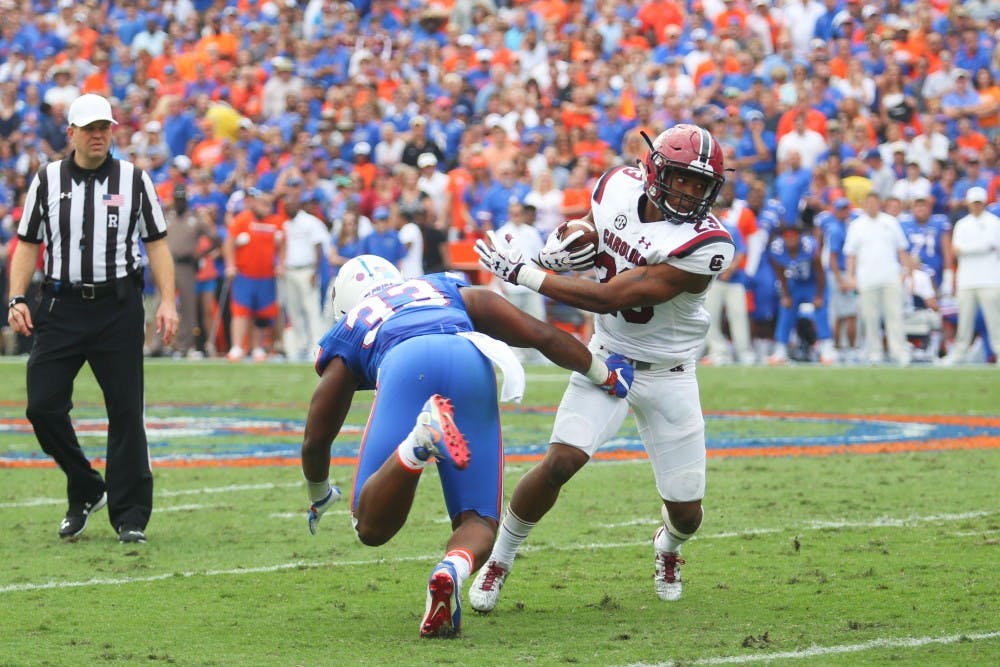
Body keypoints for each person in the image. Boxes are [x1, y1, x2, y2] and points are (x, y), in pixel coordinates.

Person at [300, 255, 633, 639]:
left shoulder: (351, 325)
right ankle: (451, 570)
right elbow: (540, 334)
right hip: (467, 357)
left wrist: (319, 493)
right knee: (479, 520)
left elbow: (316, 437)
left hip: (405, 362)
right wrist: (604, 374)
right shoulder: (441, 286)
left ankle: (416, 446)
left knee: (370, 527)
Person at [472, 124, 735, 608]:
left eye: (701, 185)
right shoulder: (616, 185)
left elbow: (613, 296)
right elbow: (598, 234)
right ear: (654, 172)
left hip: (671, 373)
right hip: (607, 356)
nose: (690, 192)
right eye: (681, 178)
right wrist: (570, 244)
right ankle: (499, 559)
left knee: (687, 513)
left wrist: (527, 272)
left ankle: (668, 546)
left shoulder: (707, 244)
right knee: (560, 461)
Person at [6, 94, 178, 544]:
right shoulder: (47, 180)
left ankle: (130, 514)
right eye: (89, 128)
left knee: (125, 411)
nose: (98, 135)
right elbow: (28, 242)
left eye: (104, 127)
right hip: (60, 306)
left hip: (117, 308)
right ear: (72, 133)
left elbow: (157, 242)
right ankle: (85, 485)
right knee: (42, 407)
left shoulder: (134, 179)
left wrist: (167, 301)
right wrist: (16, 298)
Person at [843, 192, 914, 365]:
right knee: (870, 318)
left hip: (890, 276)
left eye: (875, 203)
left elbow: (902, 249)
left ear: (880, 204)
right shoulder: (856, 225)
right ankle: (874, 352)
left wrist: (906, 270)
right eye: (869, 203)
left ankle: (898, 351)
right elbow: (851, 254)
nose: (872, 206)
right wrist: (850, 276)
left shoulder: (891, 222)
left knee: (895, 316)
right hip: (867, 278)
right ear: (864, 205)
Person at [942, 187, 1000, 365]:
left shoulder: (994, 222)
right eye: (973, 203)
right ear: (968, 204)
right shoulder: (962, 224)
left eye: (979, 203)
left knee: (995, 320)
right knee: (964, 321)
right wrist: (980, 247)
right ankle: (960, 353)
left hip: (990, 279)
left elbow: (992, 245)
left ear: (984, 203)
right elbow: (956, 250)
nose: (976, 206)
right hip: (967, 280)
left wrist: (968, 248)